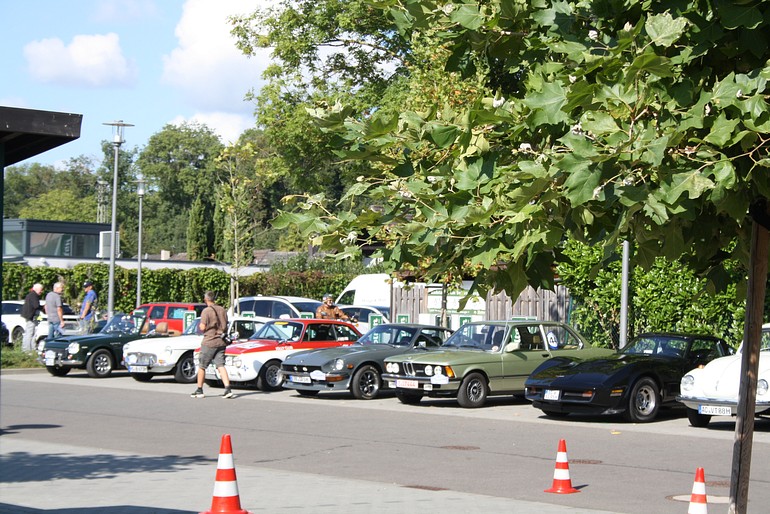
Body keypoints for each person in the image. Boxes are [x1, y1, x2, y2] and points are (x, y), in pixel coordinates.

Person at [191, 291, 234, 399]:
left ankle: (199, 390)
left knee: (202, 366)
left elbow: (202, 327)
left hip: (209, 341)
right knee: (221, 365)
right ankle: (227, 389)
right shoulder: (222, 310)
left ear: (205, 299)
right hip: (221, 342)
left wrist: (201, 327)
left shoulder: (206, 311)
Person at [20, 283, 44, 352]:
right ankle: (26, 349)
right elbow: (36, 306)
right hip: (31, 317)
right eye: (41, 290)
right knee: (29, 333)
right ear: (37, 289)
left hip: (30, 316)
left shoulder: (31, 295)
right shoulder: (34, 295)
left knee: (32, 332)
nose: (41, 291)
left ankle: (32, 348)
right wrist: (43, 307)